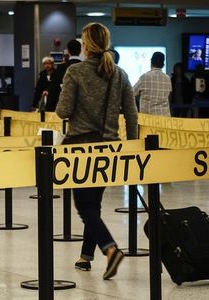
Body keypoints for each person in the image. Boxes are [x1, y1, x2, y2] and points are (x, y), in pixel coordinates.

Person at [56, 22, 138, 280]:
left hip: (80, 147)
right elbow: (132, 115)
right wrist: (132, 146)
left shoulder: (75, 71)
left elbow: (63, 111)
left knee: (84, 206)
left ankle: (110, 249)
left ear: (85, 45)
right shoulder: (120, 74)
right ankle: (86, 257)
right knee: (94, 203)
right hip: (110, 147)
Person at [46, 39, 82, 111]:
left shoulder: (61, 68)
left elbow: (54, 89)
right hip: (81, 109)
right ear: (80, 51)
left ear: (68, 52)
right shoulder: (85, 67)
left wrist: (49, 108)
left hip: (65, 108)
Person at [133, 52, 172, 116]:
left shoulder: (144, 77)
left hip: (148, 120)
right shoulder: (168, 79)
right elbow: (169, 97)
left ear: (151, 62)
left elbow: (132, 93)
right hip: (164, 119)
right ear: (163, 65)